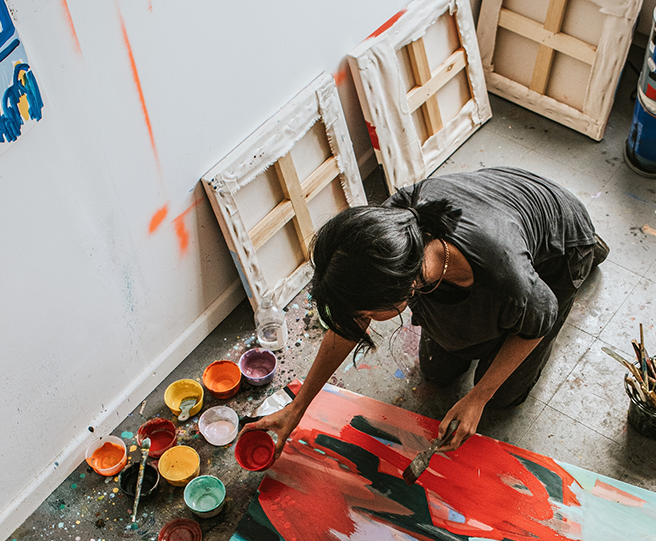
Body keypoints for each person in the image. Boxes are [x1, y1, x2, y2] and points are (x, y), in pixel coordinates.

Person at [237, 167, 608, 461]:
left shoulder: (503, 273)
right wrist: (298, 406)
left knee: (502, 395)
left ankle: (591, 252)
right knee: (438, 370)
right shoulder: (387, 235)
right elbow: (351, 320)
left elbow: (540, 318)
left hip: (559, 241)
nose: (362, 320)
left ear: (402, 294)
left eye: (367, 312)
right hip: (501, 204)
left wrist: (478, 398)